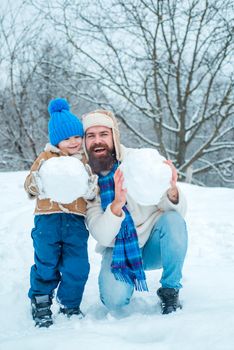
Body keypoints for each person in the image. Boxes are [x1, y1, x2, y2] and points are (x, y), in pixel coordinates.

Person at [82, 109, 188, 316]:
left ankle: (170, 289)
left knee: (173, 221)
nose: (97, 141)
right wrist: (117, 204)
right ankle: (125, 281)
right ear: (85, 141)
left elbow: (178, 214)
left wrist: (172, 189)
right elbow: (102, 235)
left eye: (103, 134)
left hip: (153, 244)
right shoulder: (86, 179)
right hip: (119, 249)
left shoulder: (137, 161)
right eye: (91, 136)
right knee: (114, 301)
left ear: (114, 136)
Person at [24, 98, 97, 328]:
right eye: (67, 138)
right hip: (48, 220)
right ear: (57, 140)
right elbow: (29, 182)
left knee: (78, 265)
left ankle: (70, 303)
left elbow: (92, 189)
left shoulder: (84, 161)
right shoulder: (46, 159)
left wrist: (91, 189)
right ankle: (41, 301)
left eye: (77, 137)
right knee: (46, 262)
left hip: (75, 221)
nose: (74, 142)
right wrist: (35, 184)